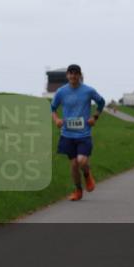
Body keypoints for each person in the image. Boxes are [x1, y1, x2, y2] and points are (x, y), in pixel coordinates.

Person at [51, 64, 105, 201]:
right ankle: (78, 191)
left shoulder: (88, 91)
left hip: (84, 134)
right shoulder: (61, 92)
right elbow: (52, 108)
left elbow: (101, 102)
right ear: (67, 75)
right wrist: (56, 119)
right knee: (74, 164)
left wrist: (95, 117)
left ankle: (87, 175)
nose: (73, 76)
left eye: (76, 73)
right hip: (67, 134)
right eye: (71, 73)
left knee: (81, 161)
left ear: (80, 75)